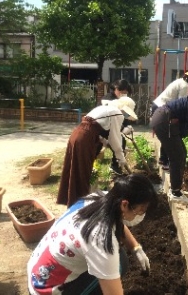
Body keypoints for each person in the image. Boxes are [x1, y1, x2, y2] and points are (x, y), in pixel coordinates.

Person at [28, 174, 158, 295]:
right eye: (141, 210)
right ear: (125, 205)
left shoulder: (101, 198)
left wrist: (136, 248)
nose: (140, 215)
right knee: (117, 265)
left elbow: (118, 223)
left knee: (120, 259)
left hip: (38, 268)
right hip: (45, 290)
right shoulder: (100, 239)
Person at [57, 97, 137, 208]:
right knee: (82, 173)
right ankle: (79, 207)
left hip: (77, 135)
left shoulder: (107, 109)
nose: (127, 117)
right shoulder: (116, 113)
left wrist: (105, 141)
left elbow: (99, 130)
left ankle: (74, 203)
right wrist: (121, 157)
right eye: (127, 114)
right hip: (85, 139)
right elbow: (115, 137)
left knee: (75, 170)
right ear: (124, 110)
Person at [151, 65, 188, 170]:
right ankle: (165, 162)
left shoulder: (180, 81)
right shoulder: (184, 86)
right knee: (170, 134)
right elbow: (182, 104)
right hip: (162, 109)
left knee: (166, 135)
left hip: (158, 106)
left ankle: (163, 159)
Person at [101, 79, 134, 175]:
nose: (123, 94)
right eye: (122, 92)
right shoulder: (108, 99)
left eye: (125, 92)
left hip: (111, 126)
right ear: (116, 88)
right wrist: (122, 128)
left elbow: (125, 114)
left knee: (121, 142)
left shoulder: (122, 100)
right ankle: (115, 165)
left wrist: (128, 125)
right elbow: (112, 118)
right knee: (119, 143)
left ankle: (116, 164)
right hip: (103, 126)